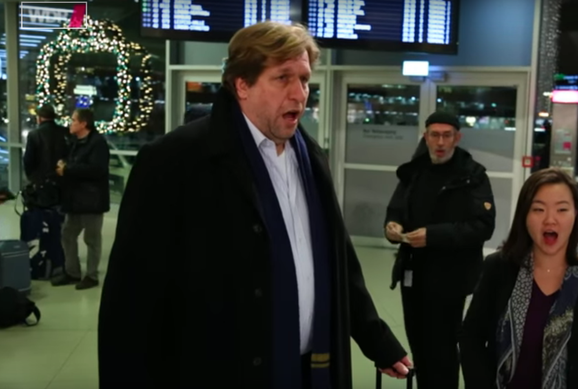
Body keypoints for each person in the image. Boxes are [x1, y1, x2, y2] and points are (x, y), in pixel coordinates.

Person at [97, 21, 411, 389]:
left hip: (315, 369)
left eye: (305, 79)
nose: (299, 94)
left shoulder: (311, 158)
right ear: (241, 85)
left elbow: (335, 260)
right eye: (282, 78)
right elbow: (131, 300)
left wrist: (375, 338)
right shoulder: (176, 161)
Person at [459, 168, 578, 389]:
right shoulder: (498, 268)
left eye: (562, 209)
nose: (550, 220)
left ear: (575, 214)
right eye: (538, 209)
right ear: (524, 216)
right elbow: (472, 339)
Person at [384, 112, 496, 389]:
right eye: (434, 134)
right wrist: (392, 226)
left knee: (443, 348)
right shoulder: (415, 171)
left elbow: (482, 226)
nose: (440, 142)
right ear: (426, 136)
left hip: (450, 278)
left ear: (457, 138)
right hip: (413, 275)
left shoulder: (472, 175)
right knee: (419, 344)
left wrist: (433, 236)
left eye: (447, 135)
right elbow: (395, 209)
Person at [51, 108, 110, 290]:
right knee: (68, 234)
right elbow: (74, 163)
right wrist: (64, 165)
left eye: (74, 120)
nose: (71, 123)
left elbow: (96, 170)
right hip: (74, 199)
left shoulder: (98, 143)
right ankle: (72, 272)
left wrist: (68, 170)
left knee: (92, 240)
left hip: (92, 200)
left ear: (84, 123)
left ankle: (91, 276)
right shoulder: (75, 142)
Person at [23, 104, 69, 185]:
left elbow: (28, 159)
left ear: (40, 118)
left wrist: (32, 178)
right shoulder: (65, 132)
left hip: (41, 180)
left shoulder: (34, 134)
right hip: (62, 179)